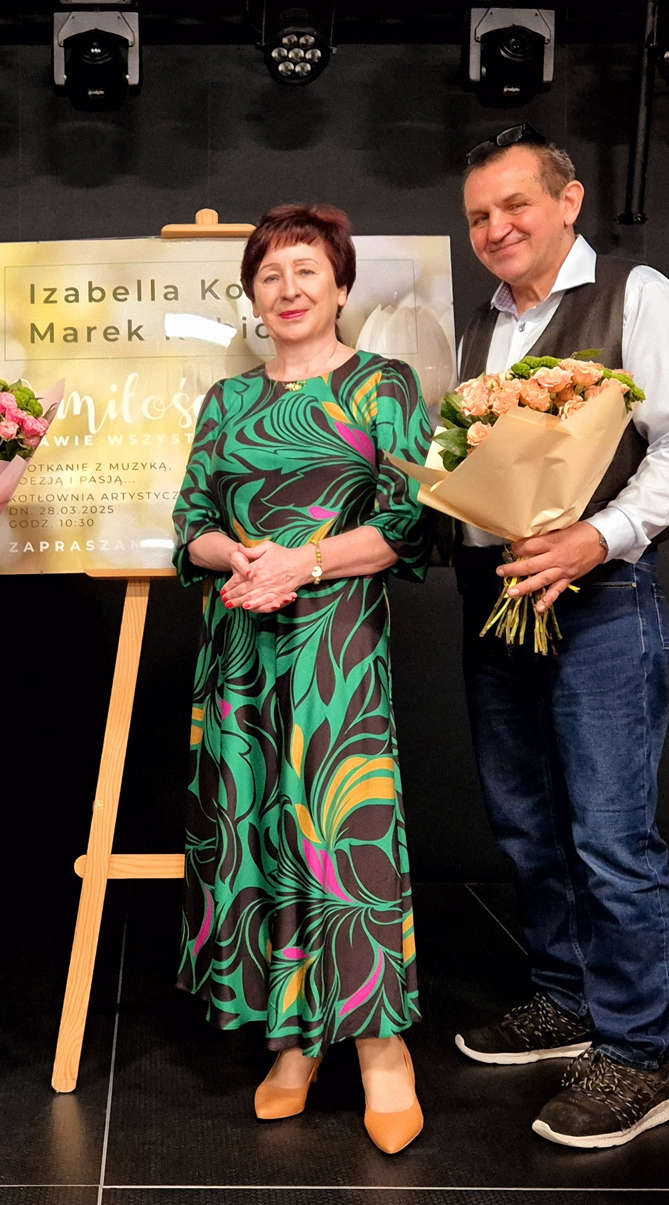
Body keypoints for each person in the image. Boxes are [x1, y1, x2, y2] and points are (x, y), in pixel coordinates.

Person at [452, 125, 669, 1149]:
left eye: (513, 205)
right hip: (498, 595)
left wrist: (594, 536)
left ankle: (637, 1054)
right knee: (525, 819)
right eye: (478, 215)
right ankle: (563, 998)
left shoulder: (634, 296)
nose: (495, 228)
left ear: (567, 203)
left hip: (603, 597)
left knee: (610, 833)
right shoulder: (477, 330)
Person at [172, 203, 431, 1153]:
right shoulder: (226, 400)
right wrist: (238, 556)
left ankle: (381, 1049)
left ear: (340, 284)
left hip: (335, 644)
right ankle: (292, 1042)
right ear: (251, 294)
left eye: (306, 270)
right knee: (262, 831)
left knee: (344, 835)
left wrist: (303, 561)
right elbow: (189, 522)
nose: (287, 289)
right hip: (240, 641)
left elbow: (408, 521)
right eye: (269, 275)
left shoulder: (382, 384)